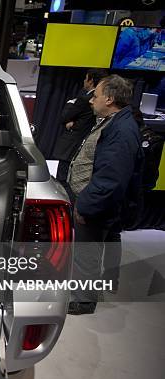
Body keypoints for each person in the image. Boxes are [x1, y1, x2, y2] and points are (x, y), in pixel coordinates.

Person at [67, 75, 143, 314]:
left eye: (96, 95)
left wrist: (86, 205)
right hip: (97, 199)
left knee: (87, 250)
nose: (91, 101)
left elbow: (111, 177)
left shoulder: (121, 130)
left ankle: (83, 300)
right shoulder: (115, 121)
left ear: (109, 99)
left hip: (95, 202)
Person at [53, 69, 109, 188]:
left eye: (86, 78)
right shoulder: (91, 98)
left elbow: (65, 117)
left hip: (73, 143)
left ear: (91, 81)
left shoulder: (85, 98)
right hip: (81, 143)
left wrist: (70, 102)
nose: (84, 81)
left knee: (63, 181)